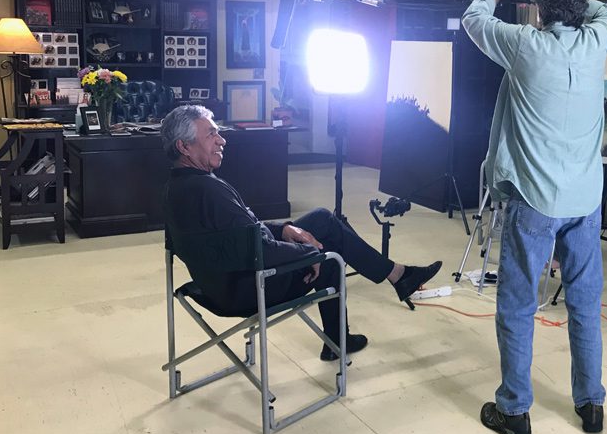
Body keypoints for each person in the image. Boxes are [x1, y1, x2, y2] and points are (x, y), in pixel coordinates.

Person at [462, 0, 607, 434]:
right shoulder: (599, 39)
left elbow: (473, 18)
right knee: (585, 304)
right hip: (585, 200)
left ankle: (514, 410)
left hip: (536, 200)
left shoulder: (525, 46)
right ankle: (591, 404)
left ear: (539, 9)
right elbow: (603, 11)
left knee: (516, 304)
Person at [161, 105, 442, 361]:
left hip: (218, 284)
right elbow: (259, 248)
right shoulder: (209, 191)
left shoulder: (179, 187)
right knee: (329, 254)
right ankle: (345, 331)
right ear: (184, 146)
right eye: (211, 135)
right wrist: (309, 253)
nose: (221, 140)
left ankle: (397, 277)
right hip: (248, 288)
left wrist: (284, 229)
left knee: (321, 219)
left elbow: (242, 236)